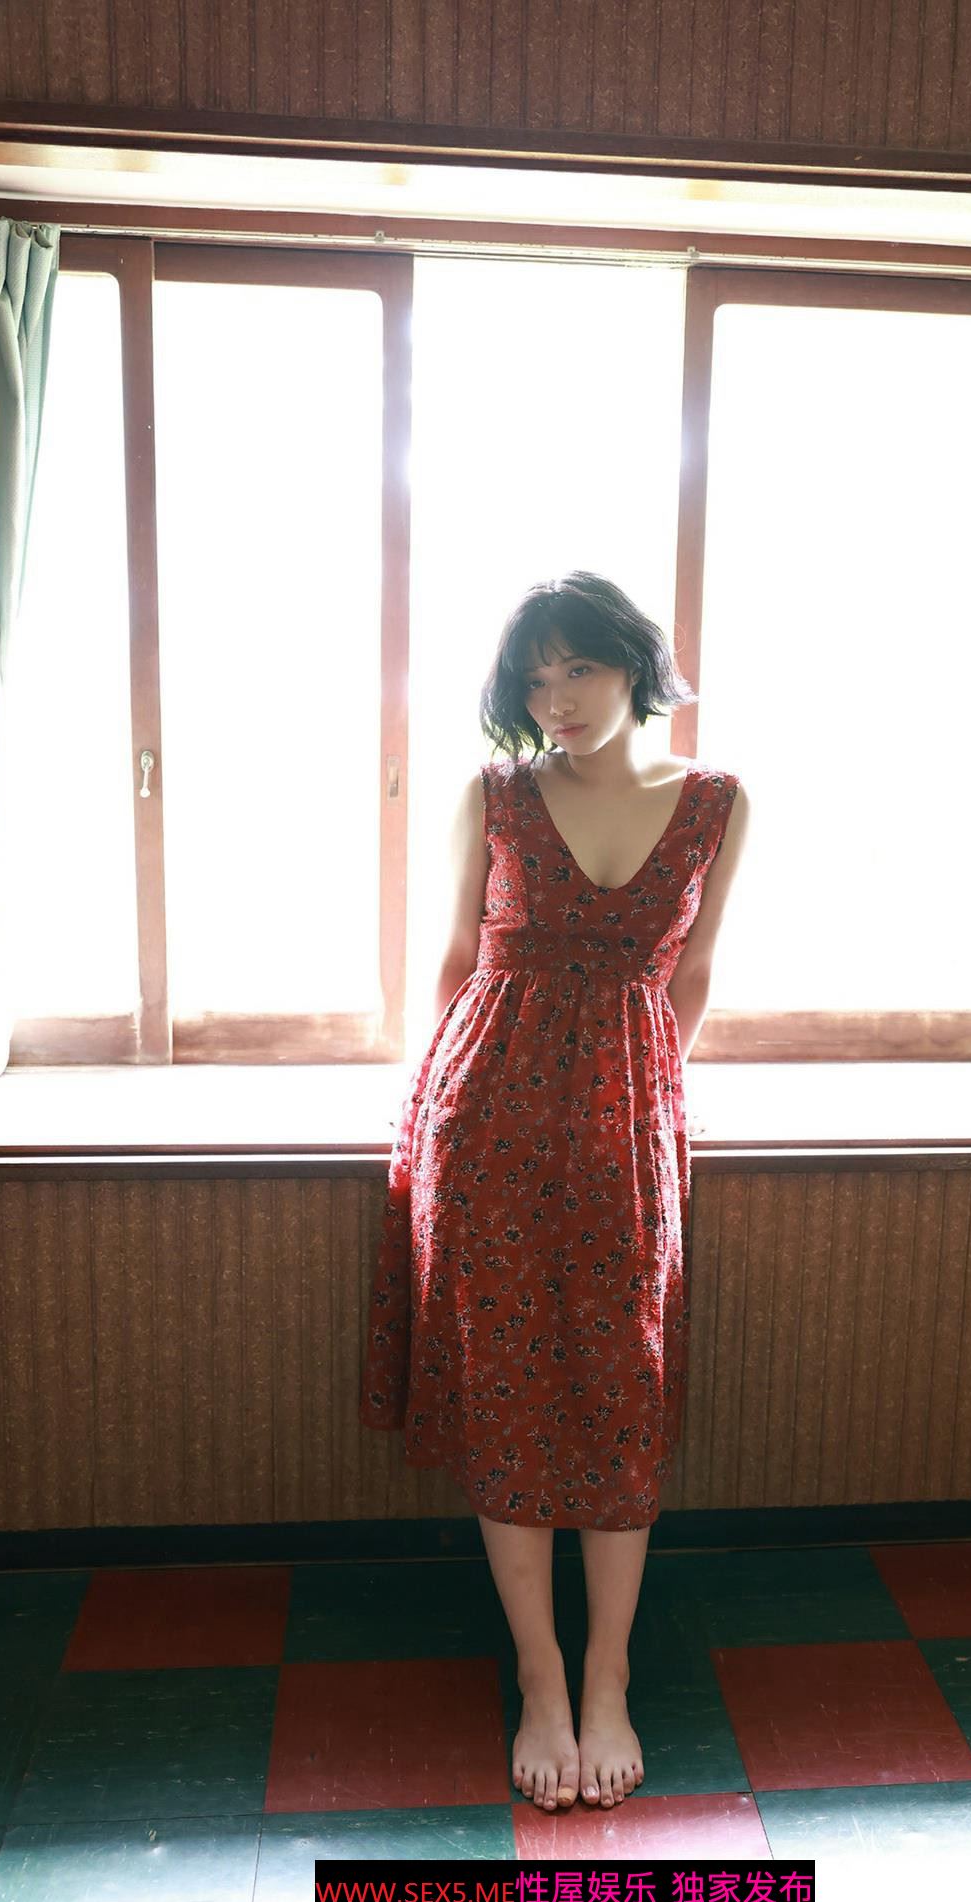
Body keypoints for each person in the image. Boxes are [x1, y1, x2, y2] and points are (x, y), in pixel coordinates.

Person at [359, 570, 748, 1819]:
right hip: (484, 1122)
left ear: (634, 664)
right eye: (534, 679)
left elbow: (693, 977)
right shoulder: (497, 794)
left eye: (577, 668)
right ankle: (539, 1678)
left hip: (629, 1130)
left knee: (621, 1390)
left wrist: (639, 1099)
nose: (556, 699)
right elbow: (455, 962)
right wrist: (436, 1111)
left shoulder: (717, 800)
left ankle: (607, 1675)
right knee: (506, 1393)